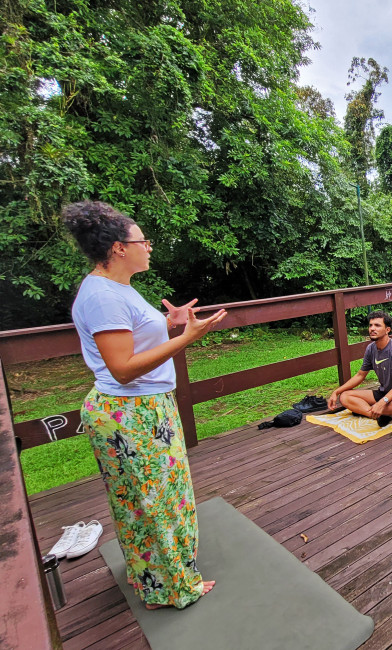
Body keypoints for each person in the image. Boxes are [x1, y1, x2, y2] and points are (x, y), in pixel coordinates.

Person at [63, 201, 226, 609]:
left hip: (145, 408)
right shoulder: (102, 296)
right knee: (154, 504)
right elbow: (121, 368)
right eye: (143, 241)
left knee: (154, 500)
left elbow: (132, 338)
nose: (149, 247)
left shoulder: (116, 288)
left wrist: (168, 324)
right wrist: (187, 338)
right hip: (129, 412)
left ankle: (156, 581)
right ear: (119, 247)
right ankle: (169, 589)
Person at [327, 311, 392, 427]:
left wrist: (382, 403)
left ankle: (368, 410)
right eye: (370, 325)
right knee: (344, 397)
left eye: (377, 325)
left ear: (387, 330)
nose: (372, 329)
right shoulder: (371, 348)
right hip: (383, 392)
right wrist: (336, 391)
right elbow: (360, 375)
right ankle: (376, 414)